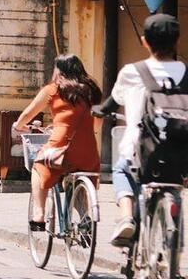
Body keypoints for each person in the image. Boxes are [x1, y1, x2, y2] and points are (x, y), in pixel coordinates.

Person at [109, 13, 185, 246]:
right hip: (181, 156)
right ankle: (174, 257)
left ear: (145, 41)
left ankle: (126, 217)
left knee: (121, 170)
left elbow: (113, 100)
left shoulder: (132, 72)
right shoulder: (186, 73)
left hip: (141, 153)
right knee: (174, 186)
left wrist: (99, 110)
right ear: (177, 41)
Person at [12, 54, 101, 230]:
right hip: (89, 153)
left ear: (58, 71)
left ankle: (39, 215)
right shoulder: (93, 91)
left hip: (61, 148)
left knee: (38, 166)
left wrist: (18, 125)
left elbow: (28, 114)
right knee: (77, 178)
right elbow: (97, 124)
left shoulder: (53, 90)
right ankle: (84, 218)